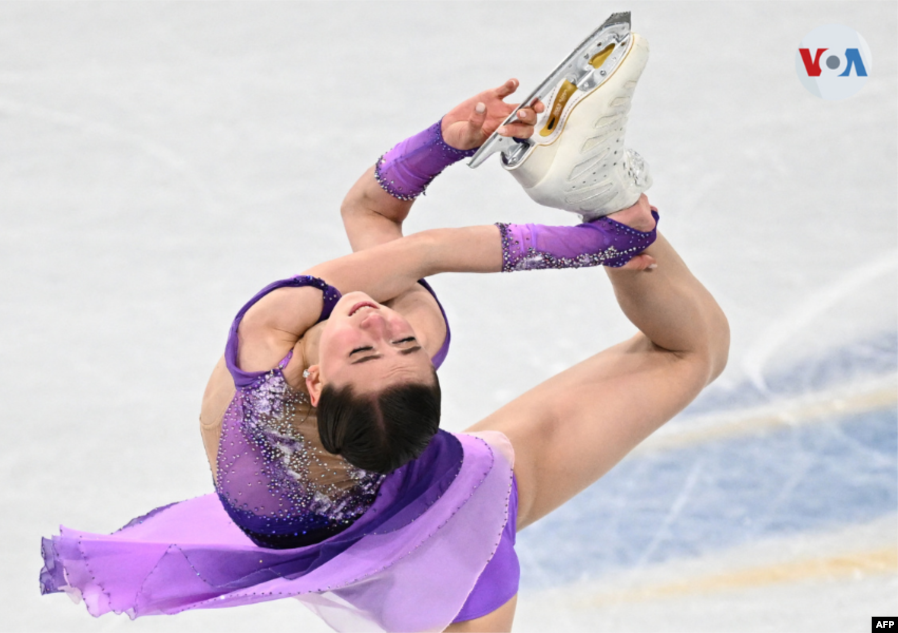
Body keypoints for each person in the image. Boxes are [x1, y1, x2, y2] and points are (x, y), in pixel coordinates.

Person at [40, 30, 728, 633]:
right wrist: (598, 240)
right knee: (691, 349)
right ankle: (607, 195)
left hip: (400, 505)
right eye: (390, 346)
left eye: (382, 344)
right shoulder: (362, 327)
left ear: (314, 380)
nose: (380, 322)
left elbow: (371, 214)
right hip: (453, 539)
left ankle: (606, 194)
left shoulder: (280, 332)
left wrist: (446, 142)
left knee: (698, 350)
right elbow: (418, 250)